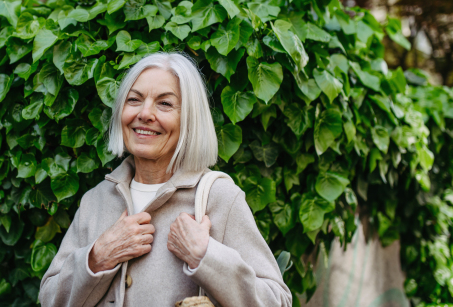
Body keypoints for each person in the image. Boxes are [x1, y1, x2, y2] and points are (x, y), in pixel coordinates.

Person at [39, 52, 292, 307]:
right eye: (134, 100)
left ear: (189, 119)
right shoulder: (96, 200)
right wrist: (96, 258)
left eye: (165, 104)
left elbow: (277, 301)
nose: (145, 113)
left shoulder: (220, 198)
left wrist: (207, 256)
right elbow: (49, 300)